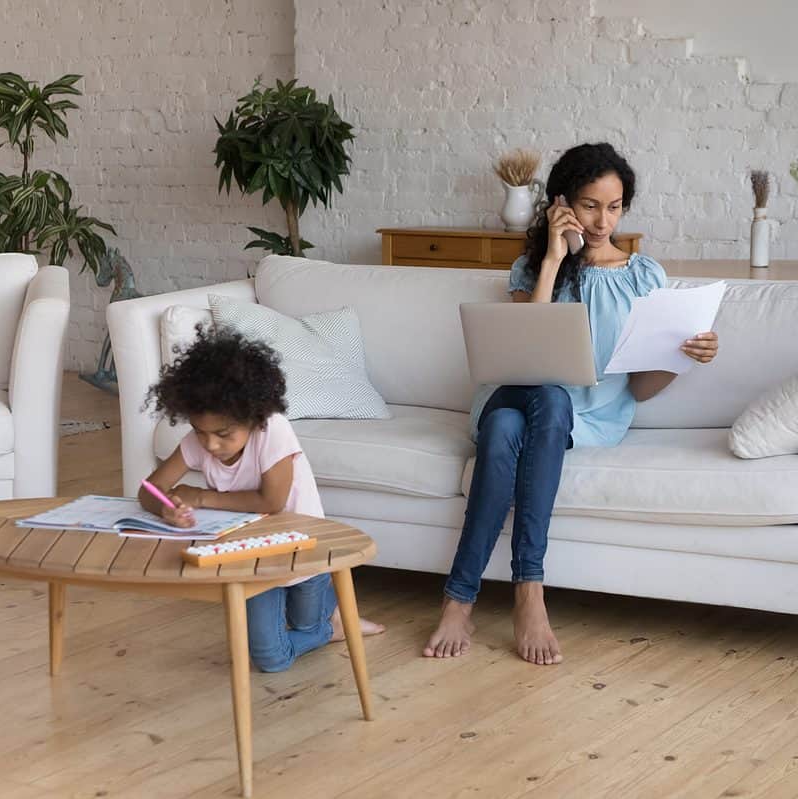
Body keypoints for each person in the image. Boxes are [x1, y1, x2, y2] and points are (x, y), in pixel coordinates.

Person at [424, 142, 720, 666]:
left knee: (507, 432)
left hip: (587, 417)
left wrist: (684, 357)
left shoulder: (643, 277)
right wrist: (554, 259)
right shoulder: (531, 267)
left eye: (614, 206)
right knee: (542, 397)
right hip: (516, 391)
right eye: (589, 205)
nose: (603, 220)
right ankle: (529, 592)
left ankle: (461, 597)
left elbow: (639, 390)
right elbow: (520, 356)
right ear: (562, 204)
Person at [141, 328, 384, 672]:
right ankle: (330, 625)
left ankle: (332, 621)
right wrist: (165, 508)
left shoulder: (272, 429)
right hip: (250, 559)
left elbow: (271, 501)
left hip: (303, 550)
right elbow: (149, 489)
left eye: (223, 434)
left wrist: (200, 497)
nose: (210, 445)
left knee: (304, 625)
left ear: (253, 418)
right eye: (200, 431)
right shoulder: (200, 440)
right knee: (270, 659)